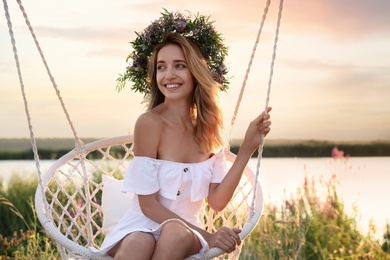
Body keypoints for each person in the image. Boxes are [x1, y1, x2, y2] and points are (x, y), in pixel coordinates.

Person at [91, 11, 271, 260]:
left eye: (180, 65)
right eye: (161, 67)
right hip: (141, 224)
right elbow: (148, 205)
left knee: (175, 232)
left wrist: (246, 149)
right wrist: (208, 236)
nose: (169, 75)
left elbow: (217, 202)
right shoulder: (149, 124)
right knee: (136, 245)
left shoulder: (208, 127)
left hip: (186, 231)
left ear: (196, 72)